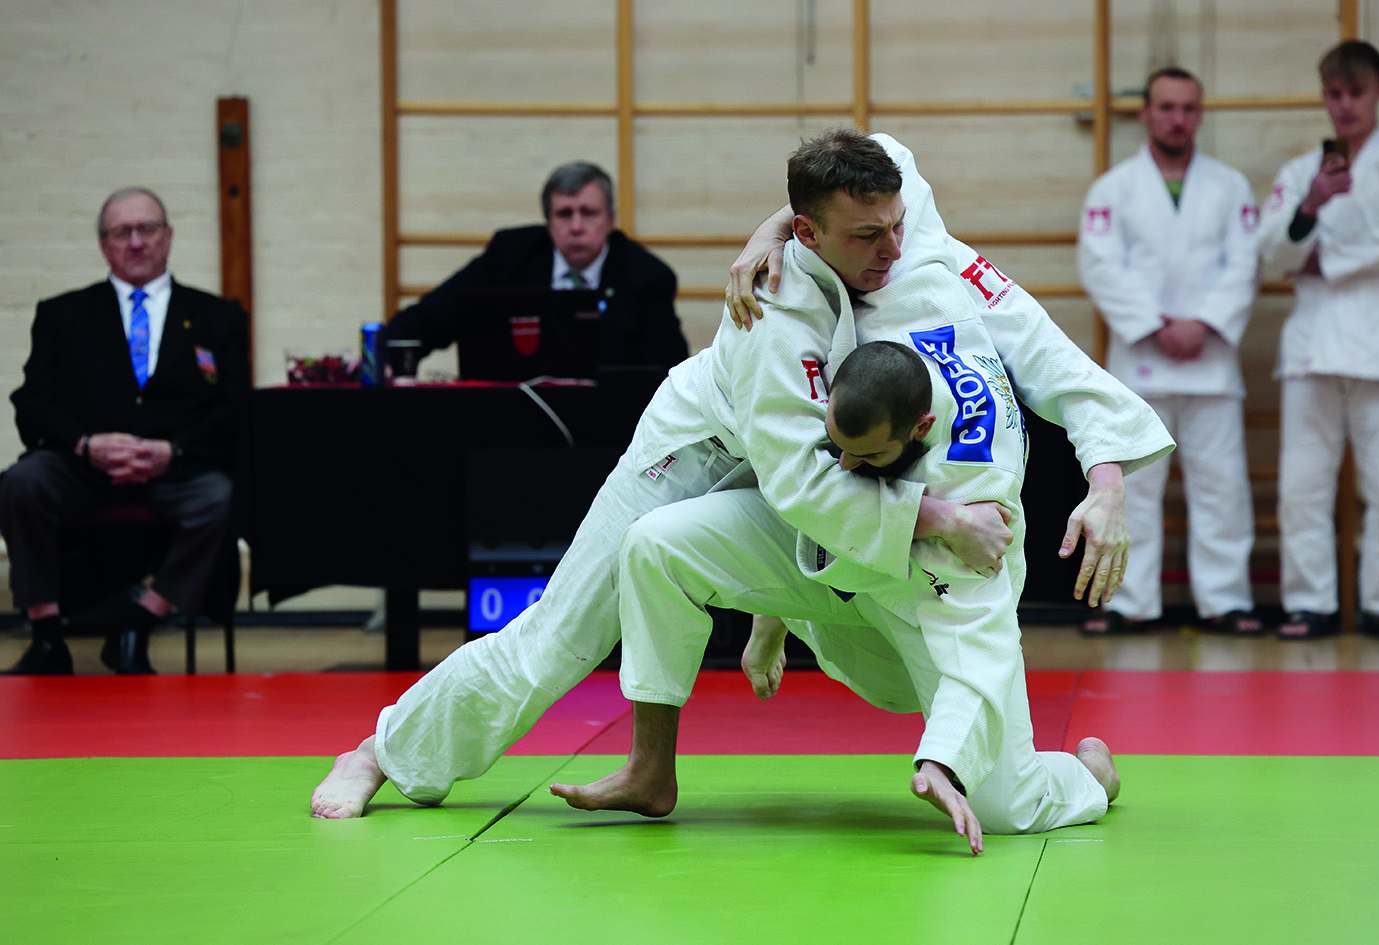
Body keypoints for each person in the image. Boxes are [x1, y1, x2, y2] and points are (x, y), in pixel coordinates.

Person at [310, 130, 1171, 822]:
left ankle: (1068, 774)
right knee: (562, 635)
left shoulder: (912, 233)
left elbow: (1048, 358)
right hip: (703, 452)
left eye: (894, 225)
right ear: (809, 234)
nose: (890, 247)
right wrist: (936, 516)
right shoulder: (772, 312)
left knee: (996, 777)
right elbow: (800, 488)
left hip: (841, 461)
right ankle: (384, 753)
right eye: (865, 237)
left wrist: (1105, 479)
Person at [550, 341, 1134, 852]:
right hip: (833, 568)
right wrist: (772, 230)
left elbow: (980, 639)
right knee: (654, 543)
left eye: (870, 456)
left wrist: (940, 761)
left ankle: (1087, 775)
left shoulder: (976, 499)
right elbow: (796, 489)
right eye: (839, 448)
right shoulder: (842, 359)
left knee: (1008, 808)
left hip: (927, 613)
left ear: (920, 429)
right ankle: (650, 768)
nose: (848, 467)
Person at [0, 187, 251, 675]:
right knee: (20, 484)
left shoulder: (217, 317)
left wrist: (172, 451)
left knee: (223, 497)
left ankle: (138, 623)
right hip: (81, 464)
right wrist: (85, 444)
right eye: (122, 232)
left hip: (175, 469)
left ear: (168, 237)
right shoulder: (62, 314)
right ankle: (47, 636)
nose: (136, 242)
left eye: (147, 229)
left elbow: (236, 409)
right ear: (103, 244)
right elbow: (31, 404)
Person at [1076, 67, 1262, 636]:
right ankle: (1130, 603)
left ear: (1198, 115)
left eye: (1187, 108)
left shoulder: (1230, 187)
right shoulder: (1114, 189)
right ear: (1147, 113)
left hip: (1210, 363)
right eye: (1166, 107)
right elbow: (1100, 266)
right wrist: (1156, 325)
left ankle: (1225, 600)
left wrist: (1203, 323)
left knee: (1222, 488)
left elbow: (1244, 264)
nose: (1177, 118)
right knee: (1134, 492)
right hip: (1143, 365)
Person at [1256, 41, 1379, 640]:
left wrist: (1323, 259)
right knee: (1303, 484)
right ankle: (1309, 604)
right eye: (1335, 94)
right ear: (1324, 96)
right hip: (1312, 348)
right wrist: (1310, 207)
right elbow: (1271, 250)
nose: (1345, 106)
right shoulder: (1302, 173)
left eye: (1357, 93)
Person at [383, 161, 688, 373]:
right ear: (548, 222)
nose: (577, 226)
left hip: (611, 429)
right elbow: (433, 316)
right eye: (565, 214)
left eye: (589, 213)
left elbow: (666, 372)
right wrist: (382, 354)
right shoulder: (511, 255)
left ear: (610, 219)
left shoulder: (647, 277)